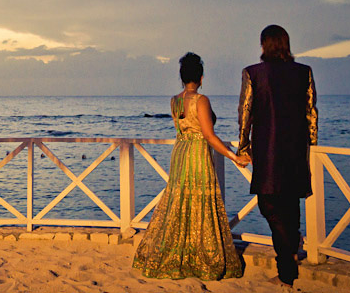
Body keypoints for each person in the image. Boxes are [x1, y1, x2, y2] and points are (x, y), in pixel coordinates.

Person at [133, 52, 247, 280]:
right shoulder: (201, 100)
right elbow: (209, 135)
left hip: (180, 151)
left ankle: (178, 253)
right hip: (196, 154)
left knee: (179, 201)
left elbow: (183, 127)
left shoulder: (174, 100)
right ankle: (201, 255)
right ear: (202, 78)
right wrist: (234, 157)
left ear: (182, 77)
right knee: (200, 201)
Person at [237, 25, 318, 288]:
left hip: (268, 145)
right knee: (290, 204)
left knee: (269, 204)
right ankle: (291, 253)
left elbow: (245, 111)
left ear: (264, 45)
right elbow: (311, 110)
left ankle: (287, 268)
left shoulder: (253, 73)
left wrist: (243, 145)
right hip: (295, 147)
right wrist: (312, 143)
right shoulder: (303, 72)